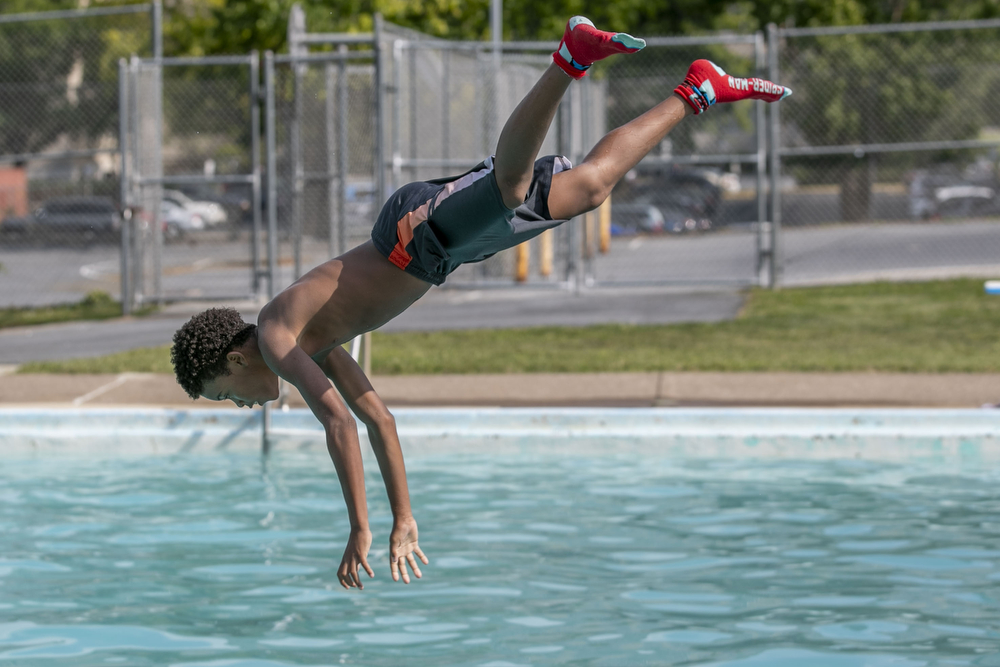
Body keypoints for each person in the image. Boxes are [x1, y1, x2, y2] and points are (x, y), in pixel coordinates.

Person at [170, 17, 791, 592]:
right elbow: (378, 422)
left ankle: (568, 60)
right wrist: (403, 518)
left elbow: (338, 426)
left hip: (412, 235)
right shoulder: (314, 343)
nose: (242, 404)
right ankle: (698, 90)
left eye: (226, 395)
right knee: (592, 188)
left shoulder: (279, 337)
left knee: (510, 184)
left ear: (230, 359)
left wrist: (359, 526)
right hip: (445, 254)